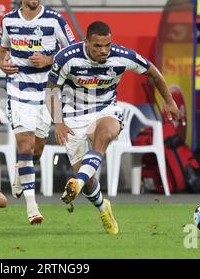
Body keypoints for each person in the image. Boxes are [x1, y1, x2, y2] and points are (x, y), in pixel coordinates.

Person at [45, 21, 179, 234]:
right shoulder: (66, 58)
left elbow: (153, 72)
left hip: (105, 110)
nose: (104, 51)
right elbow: (51, 90)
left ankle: (77, 184)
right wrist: (58, 122)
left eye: (107, 45)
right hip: (73, 116)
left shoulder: (122, 56)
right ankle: (102, 206)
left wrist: (169, 101)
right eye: (97, 46)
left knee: (105, 133)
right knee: (89, 180)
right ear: (87, 42)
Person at [0, 0, 76, 224]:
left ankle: (21, 174)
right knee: (25, 145)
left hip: (48, 90)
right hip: (19, 89)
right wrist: (2, 63)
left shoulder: (55, 20)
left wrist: (49, 59)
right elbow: (3, 48)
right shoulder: (8, 20)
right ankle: (32, 208)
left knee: (38, 149)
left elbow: (74, 50)